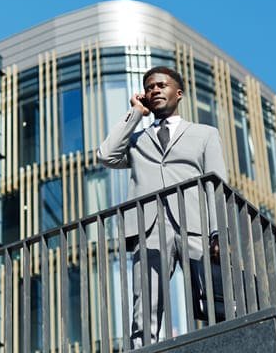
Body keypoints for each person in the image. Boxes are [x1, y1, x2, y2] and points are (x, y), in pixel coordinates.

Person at [97, 65, 228, 346]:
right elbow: (107, 155)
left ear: (178, 93)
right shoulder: (136, 141)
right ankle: (143, 348)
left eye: (161, 85)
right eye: (149, 88)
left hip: (195, 224)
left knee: (213, 295)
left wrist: (219, 231)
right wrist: (135, 114)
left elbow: (216, 184)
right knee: (145, 301)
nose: (154, 90)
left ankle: (225, 342)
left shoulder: (205, 134)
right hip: (149, 229)